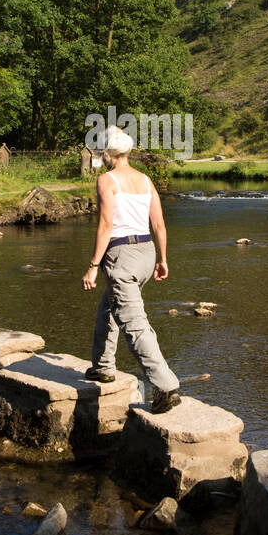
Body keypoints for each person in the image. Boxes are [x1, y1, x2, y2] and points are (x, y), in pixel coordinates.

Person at [81, 126, 182, 413]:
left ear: (107, 154)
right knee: (110, 307)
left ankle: (165, 387)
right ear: (127, 152)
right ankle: (102, 367)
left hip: (122, 255)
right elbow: (160, 225)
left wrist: (92, 266)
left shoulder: (107, 180)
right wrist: (162, 259)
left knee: (134, 323)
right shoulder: (145, 180)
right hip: (146, 253)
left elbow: (106, 225)